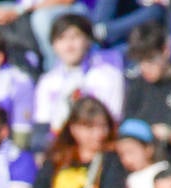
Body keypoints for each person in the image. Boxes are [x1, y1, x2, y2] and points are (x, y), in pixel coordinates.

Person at [32, 14, 124, 146]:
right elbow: (42, 124)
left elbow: (114, 118)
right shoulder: (47, 82)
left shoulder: (108, 75)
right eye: (61, 39)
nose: (69, 46)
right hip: (60, 148)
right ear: (53, 45)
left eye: (74, 37)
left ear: (88, 40)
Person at [121, 22, 171, 171]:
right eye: (140, 62)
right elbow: (128, 123)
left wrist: (168, 133)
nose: (145, 67)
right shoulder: (136, 83)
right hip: (139, 151)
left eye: (150, 60)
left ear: (165, 50)